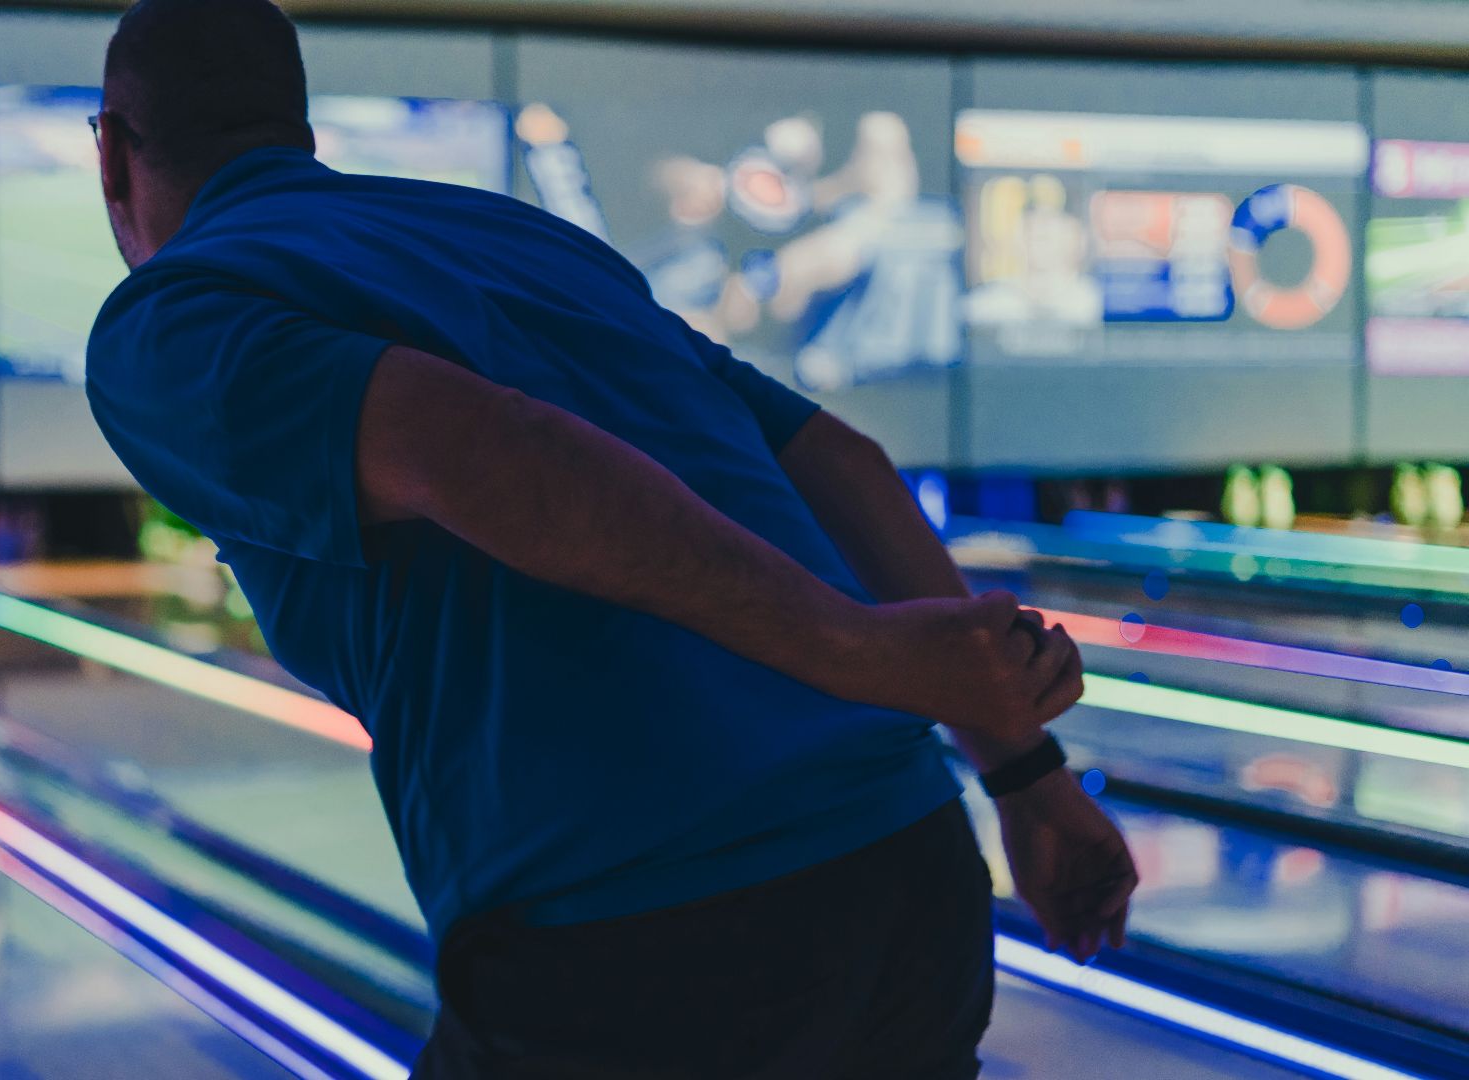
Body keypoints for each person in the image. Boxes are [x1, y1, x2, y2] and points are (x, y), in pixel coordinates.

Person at [85, 2, 1138, 1077]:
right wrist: (1029, 780)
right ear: (297, 129)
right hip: (902, 864)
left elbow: (485, 451)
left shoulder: (174, 315)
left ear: (113, 154)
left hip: (632, 925)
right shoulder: (518, 236)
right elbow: (842, 464)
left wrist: (858, 650)